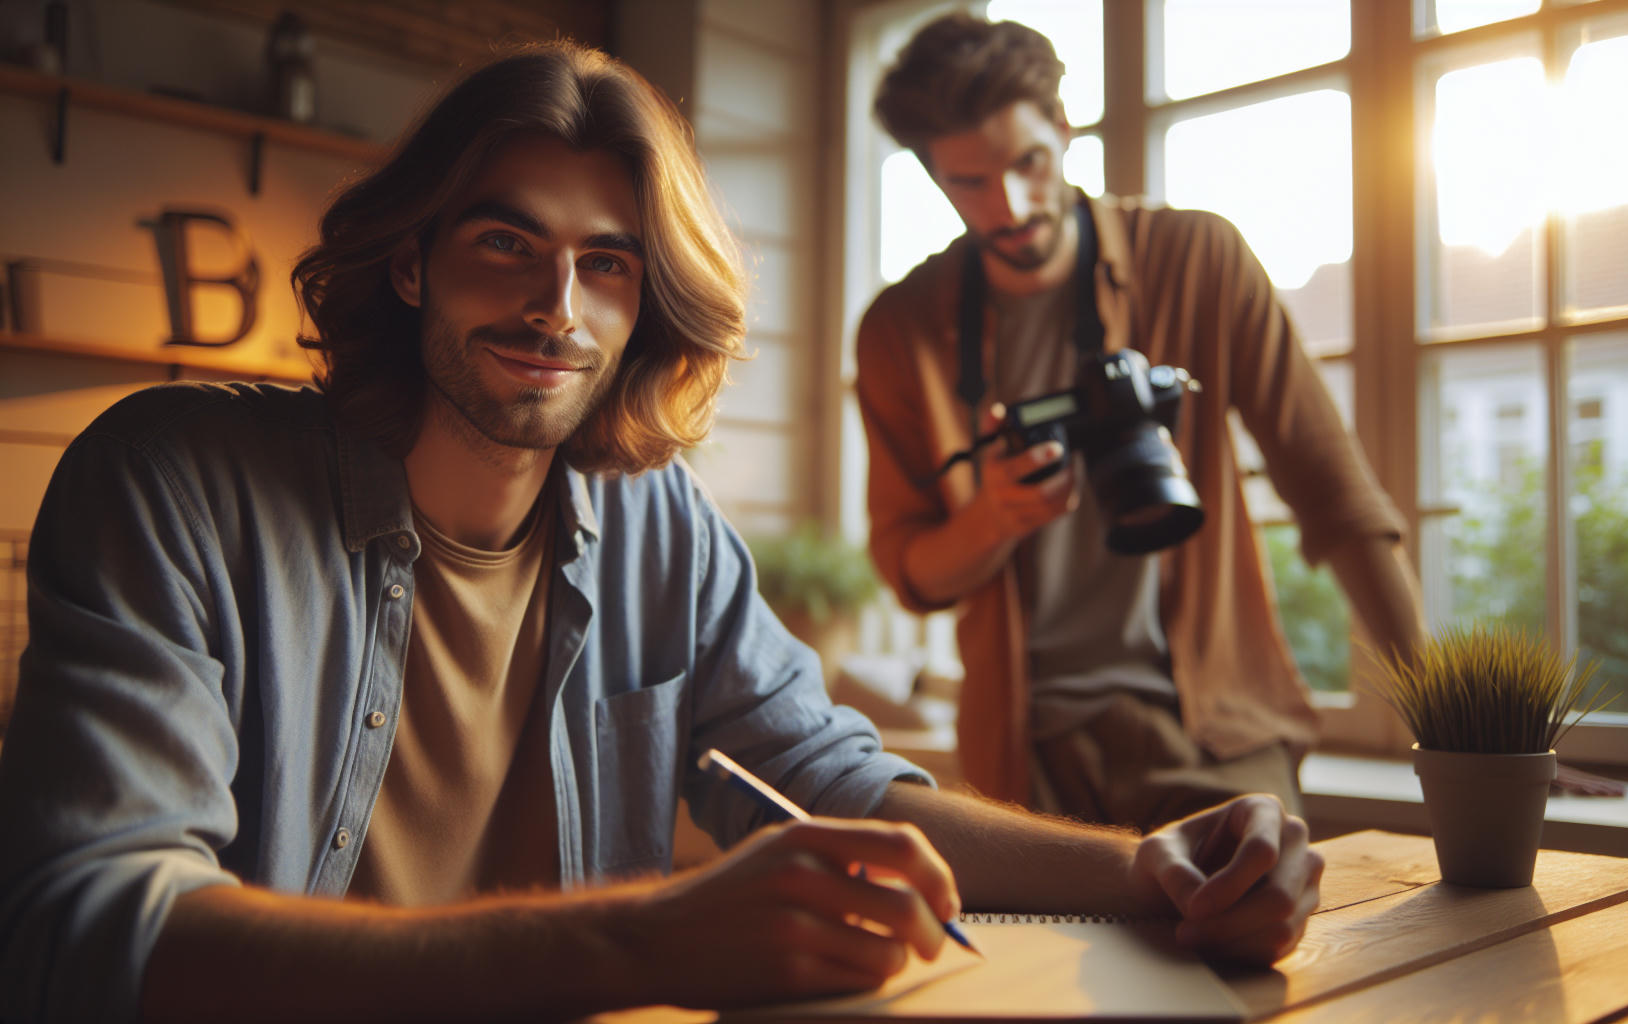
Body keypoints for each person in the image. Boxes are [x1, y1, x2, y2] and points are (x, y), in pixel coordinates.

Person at [0, 41, 1321, 1023]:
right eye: (505, 243)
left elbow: (828, 777)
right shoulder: (171, 480)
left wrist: (1148, 870)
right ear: (411, 263)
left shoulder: (654, 517)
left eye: (607, 264)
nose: (555, 307)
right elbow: (97, 926)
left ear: (645, 302)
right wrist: (644, 941)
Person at [857, 13, 1432, 830]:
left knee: (1261, 906)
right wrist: (994, 517)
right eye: (969, 183)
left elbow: (1335, 494)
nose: (1010, 207)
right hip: (1024, 753)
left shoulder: (1198, 259)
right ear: (932, 175)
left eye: (1028, 163)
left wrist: (1453, 725)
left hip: (1218, 726)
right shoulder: (900, 329)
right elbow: (911, 573)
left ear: (1064, 128)